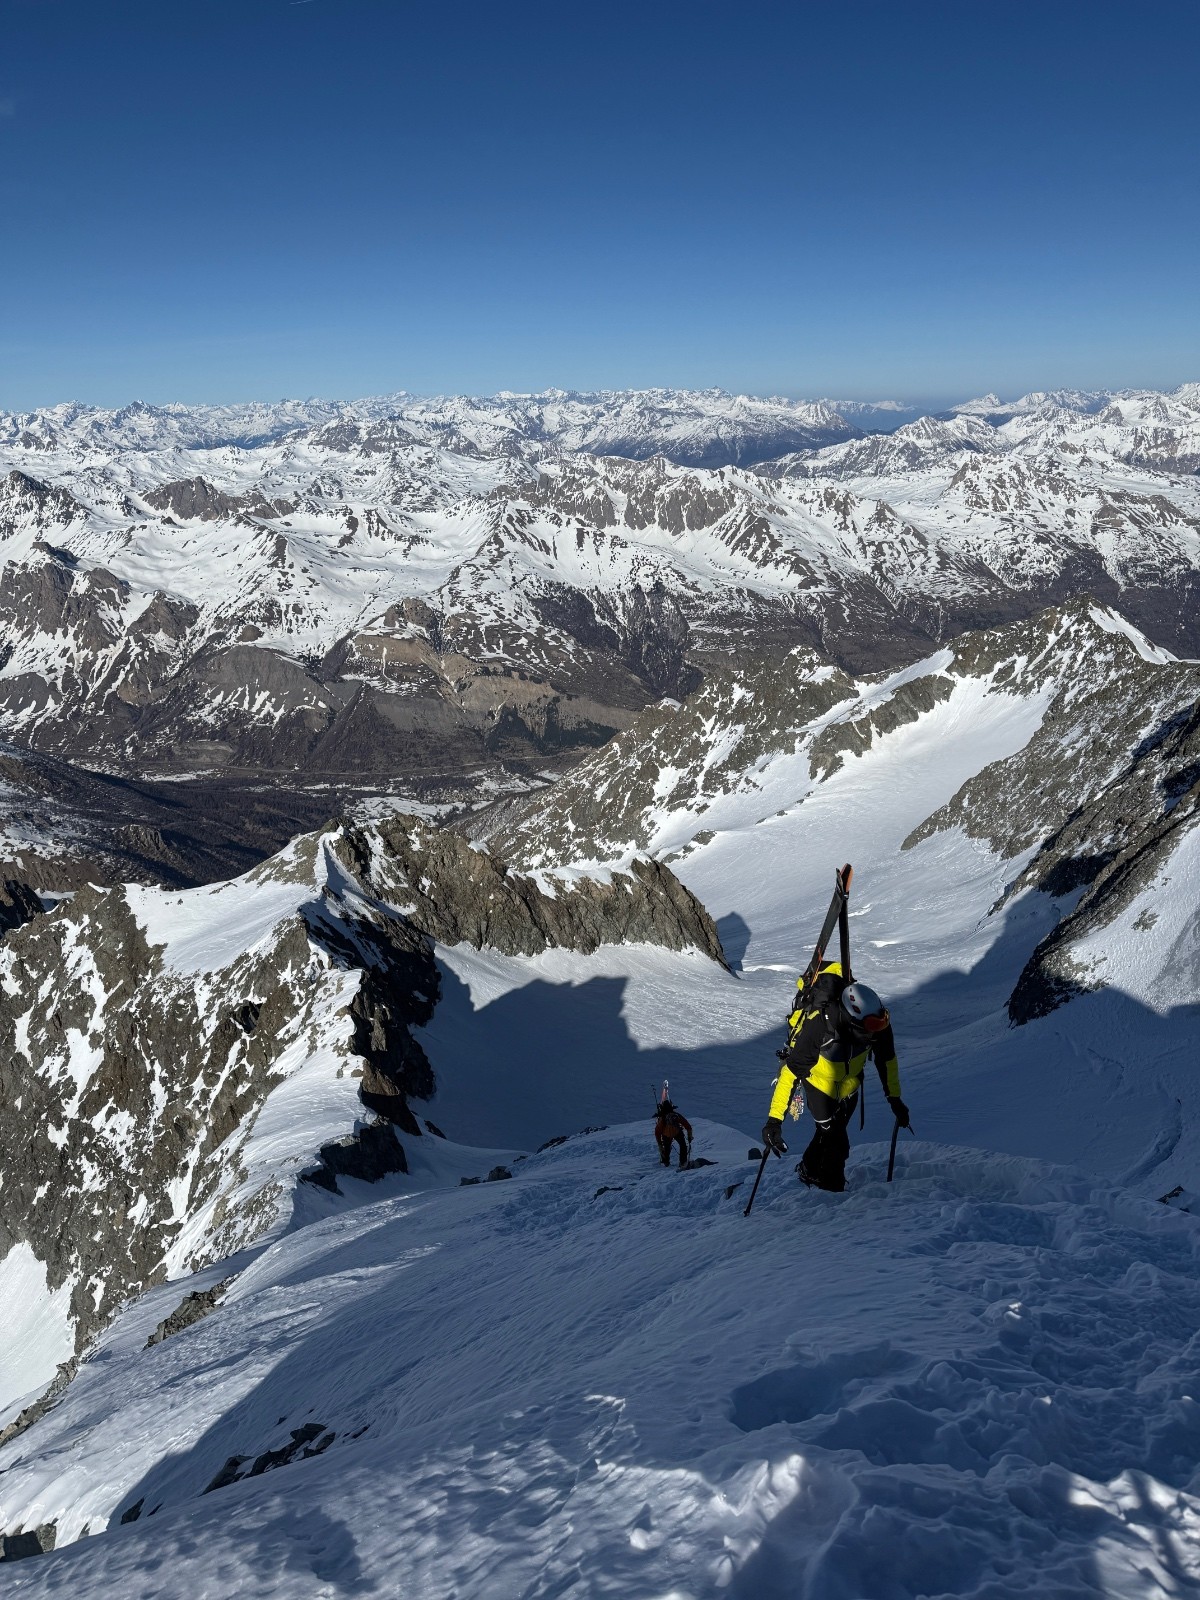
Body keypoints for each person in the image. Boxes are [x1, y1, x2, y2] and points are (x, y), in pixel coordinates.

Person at [760, 960, 909, 1192]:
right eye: (871, 1027)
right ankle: (833, 1193)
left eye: (880, 1025)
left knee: (829, 1134)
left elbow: (887, 1061)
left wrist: (895, 1099)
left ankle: (808, 1168)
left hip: (850, 1088)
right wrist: (774, 1121)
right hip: (819, 1087)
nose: (876, 1033)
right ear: (853, 1020)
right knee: (838, 1144)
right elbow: (791, 1073)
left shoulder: (876, 1024)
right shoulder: (821, 1026)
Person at [655, 1097, 693, 1167]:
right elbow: (687, 1126)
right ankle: (683, 1162)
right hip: (677, 1132)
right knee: (683, 1146)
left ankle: (666, 1163)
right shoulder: (676, 1116)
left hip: (666, 1134)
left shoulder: (662, 1120)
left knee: (666, 1148)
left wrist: (660, 1146)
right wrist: (689, 1136)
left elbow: (657, 1133)